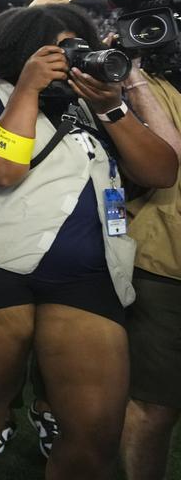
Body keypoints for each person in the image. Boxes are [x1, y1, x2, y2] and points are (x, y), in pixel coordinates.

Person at [0, 4, 178, 480]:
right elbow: (4, 171)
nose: (70, 60)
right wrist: (27, 87)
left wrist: (114, 103)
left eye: (76, 48)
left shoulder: (99, 102)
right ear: (21, 52)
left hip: (86, 274)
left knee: (96, 432)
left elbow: (162, 171)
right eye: (57, 49)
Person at [118, 60, 181, 480]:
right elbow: (169, 161)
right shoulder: (141, 83)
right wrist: (135, 77)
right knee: (154, 406)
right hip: (166, 266)